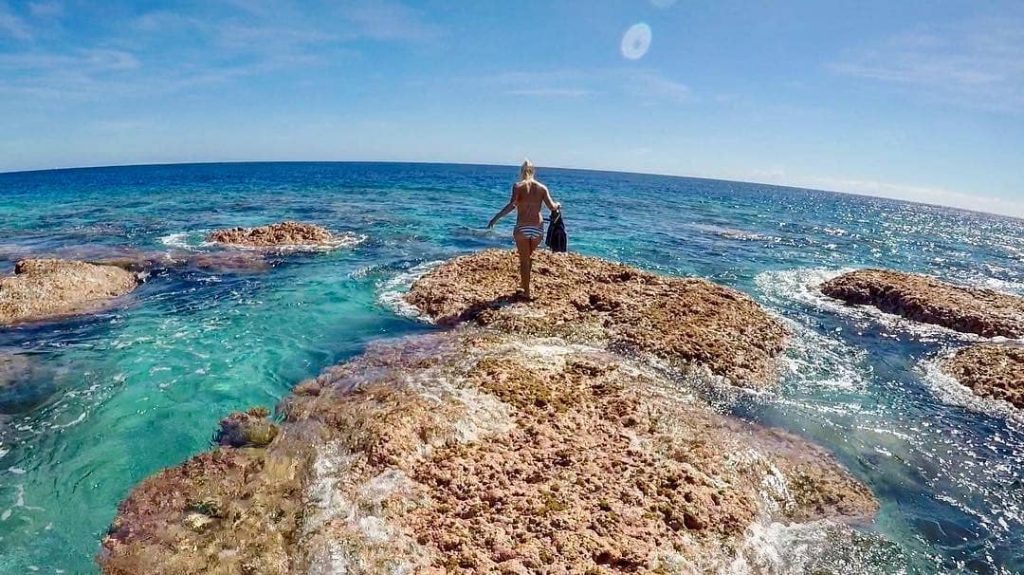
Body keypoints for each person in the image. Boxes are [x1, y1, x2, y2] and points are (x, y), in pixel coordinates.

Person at [487, 159, 560, 299]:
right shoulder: (542, 188)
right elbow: (552, 207)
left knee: (524, 260)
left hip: (522, 227)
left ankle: (526, 292)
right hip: (537, 228)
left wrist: (496, 218)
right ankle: (524, 285)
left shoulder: (518, 186)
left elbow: (511, 205)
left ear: (521, 172)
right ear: (534, 171)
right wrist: (558, 205)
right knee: (528, 258)